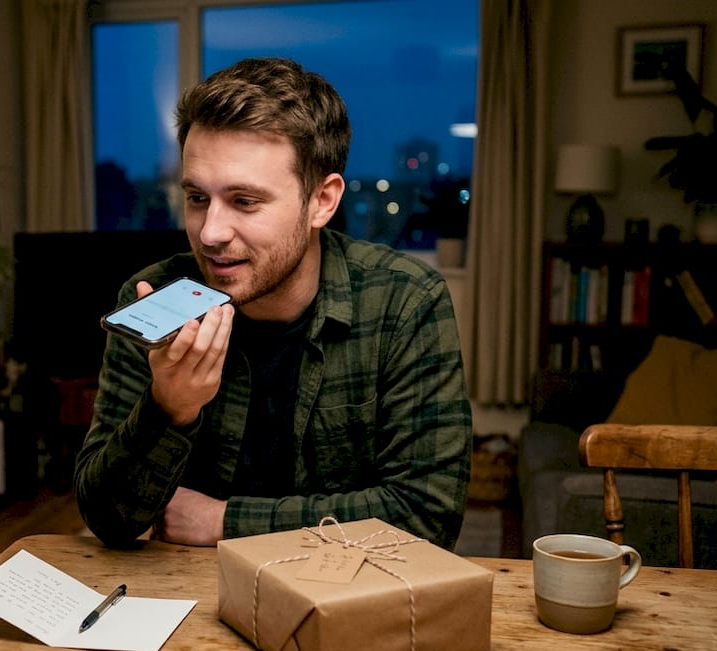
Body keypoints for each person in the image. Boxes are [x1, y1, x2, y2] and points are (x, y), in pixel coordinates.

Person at [74, 57, 471, 550]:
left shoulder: (404, 303)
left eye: (245, 201)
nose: (211, 233)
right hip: (188, 601)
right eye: (197, 198)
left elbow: (428, 516)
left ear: (322, 201)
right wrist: (169, 408)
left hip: (349, 598)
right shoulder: (155, 298)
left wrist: (224, 521)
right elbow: (108, 518)